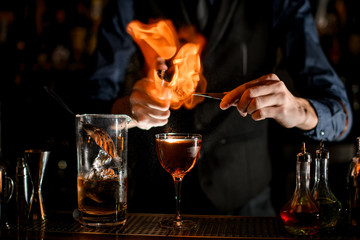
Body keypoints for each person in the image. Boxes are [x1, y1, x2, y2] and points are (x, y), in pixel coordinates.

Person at [86, 0, 352, 216]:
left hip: (246, 209)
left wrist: (298, 110)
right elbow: (88, 111)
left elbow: (340, 113)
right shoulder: (127, 4)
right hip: (154, 208)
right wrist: (125, 111)